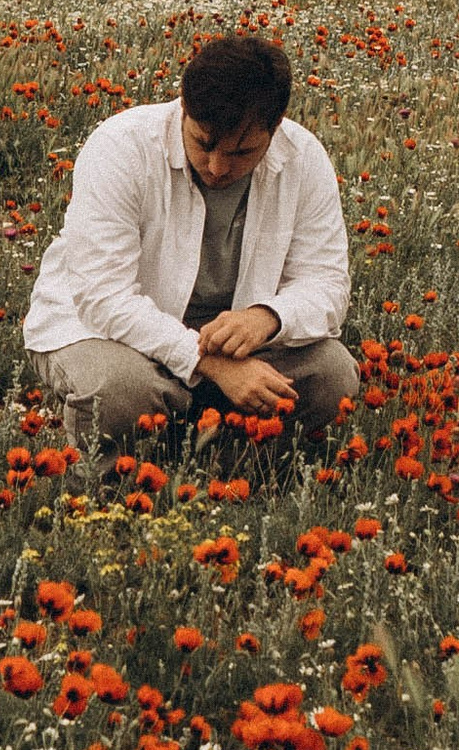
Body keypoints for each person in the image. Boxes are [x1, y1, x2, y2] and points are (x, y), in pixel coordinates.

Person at [22, 31, 357, 445]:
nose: (217, 166)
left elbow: (326, 284)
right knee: (123, 391)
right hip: (107, 332)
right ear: (183, 106)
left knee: (332, 375)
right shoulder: (120, 147)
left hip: (235, 340)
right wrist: (208, 363)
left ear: (275, 128)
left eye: (241, 153)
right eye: (203, 143)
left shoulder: (304, 159)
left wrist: (266, 318)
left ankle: (230, 476)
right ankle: (128, 469)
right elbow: (102, 297)